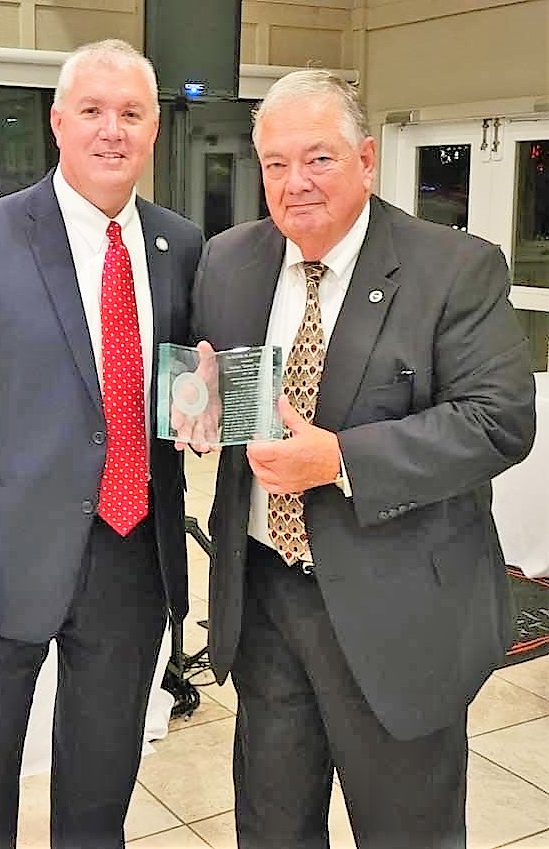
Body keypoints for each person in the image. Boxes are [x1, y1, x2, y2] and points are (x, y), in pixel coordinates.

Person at [187, 70, 536, 848]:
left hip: (399, 615)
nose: (295, 182)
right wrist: (205, 407)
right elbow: (225, 387)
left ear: (368, 159)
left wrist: (341, 458)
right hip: (265, 602)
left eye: (319, 158)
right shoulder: (229, 261)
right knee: (272, 828)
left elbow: (500, 421)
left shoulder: (455, 267)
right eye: (276, 163)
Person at [0, 39, 202, 849]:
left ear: (152, 133)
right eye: (95, 112)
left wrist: (206, 412)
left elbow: (184, 386)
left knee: (101, 788)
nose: (114, 130)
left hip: (131, 556)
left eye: (132, 114)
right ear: (58, 122)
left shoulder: (182, 246)